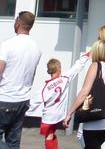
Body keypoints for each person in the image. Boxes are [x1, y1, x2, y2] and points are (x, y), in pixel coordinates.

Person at [64, 40, 105, 149]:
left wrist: (69, 112)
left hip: (98, 117)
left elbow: (84, 92)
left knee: (90, 144)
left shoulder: (96, 65)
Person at [0, 11, 42, 149]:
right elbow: (32, 75)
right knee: (13, 142)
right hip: (22, 100)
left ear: (18, 22)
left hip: (5, 98)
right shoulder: (36, 48)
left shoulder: (8, 45)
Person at [32, 57, 90, 149]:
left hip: (49, 116)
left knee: (49, 136)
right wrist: (87, 56)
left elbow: (34, 102)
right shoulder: (65, 78)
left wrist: (24, 112)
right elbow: (77, 67)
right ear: (58, 68)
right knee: (52, 135)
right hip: (59, 114)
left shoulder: (45, 87)